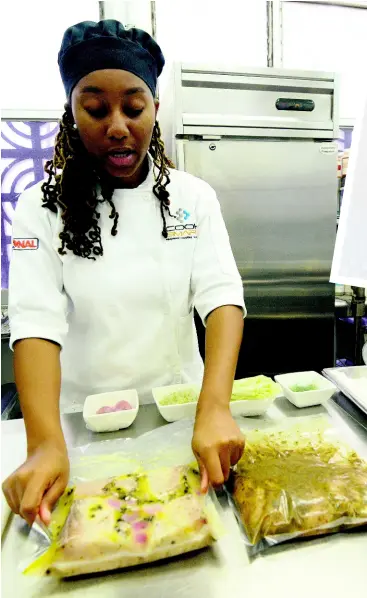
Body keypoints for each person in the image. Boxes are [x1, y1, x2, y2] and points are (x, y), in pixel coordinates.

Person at [2, 20, 246, 527]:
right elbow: (35, 323)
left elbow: (221, 296)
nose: (117, 125)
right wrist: (44, 441)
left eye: (134, 108)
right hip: (83, 429)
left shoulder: (191, 199)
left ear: (155, 109)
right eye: (94, 108)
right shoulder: (38, 209)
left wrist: (216, 405)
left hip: (184, 418)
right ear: (70, 114)